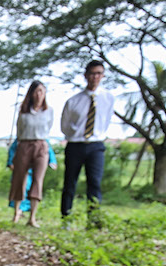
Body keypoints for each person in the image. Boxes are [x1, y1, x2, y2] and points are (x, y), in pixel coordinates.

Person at [60, 60, 115, 225]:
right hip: (75, 144)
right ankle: (66, 219)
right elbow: (64, 125)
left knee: (95, 183)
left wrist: (95, 136)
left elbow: (106, 121)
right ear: (86, 75)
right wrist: (77, 137)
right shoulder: (73, 101)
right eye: (92, 73)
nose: (95, 77)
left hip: (96, 145)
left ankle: (93, 221)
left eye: (99, 73)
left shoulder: (108, 98)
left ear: (103, 75)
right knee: (70, 183)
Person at [9, 81, 55, 226]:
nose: (39, 94)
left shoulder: (49, 111)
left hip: (41, 145)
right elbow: (19, 130)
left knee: (37, 180)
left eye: (41, 91)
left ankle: (32, 217)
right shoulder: (22, 110)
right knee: (19, 178)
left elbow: (48, 129)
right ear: (31, 93)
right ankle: (17, 212)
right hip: (24, 144)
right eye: (36, 91)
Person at [8, 138, 57, 220]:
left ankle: (26, 212)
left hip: (32, 172)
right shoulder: (21, 139)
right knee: (20, 185)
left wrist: (52, 161)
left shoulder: (43, 140)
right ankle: (18, 211)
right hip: (22, 168)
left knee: (33, 187)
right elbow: (12, 150)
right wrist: (10, 162)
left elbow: (49, 150)